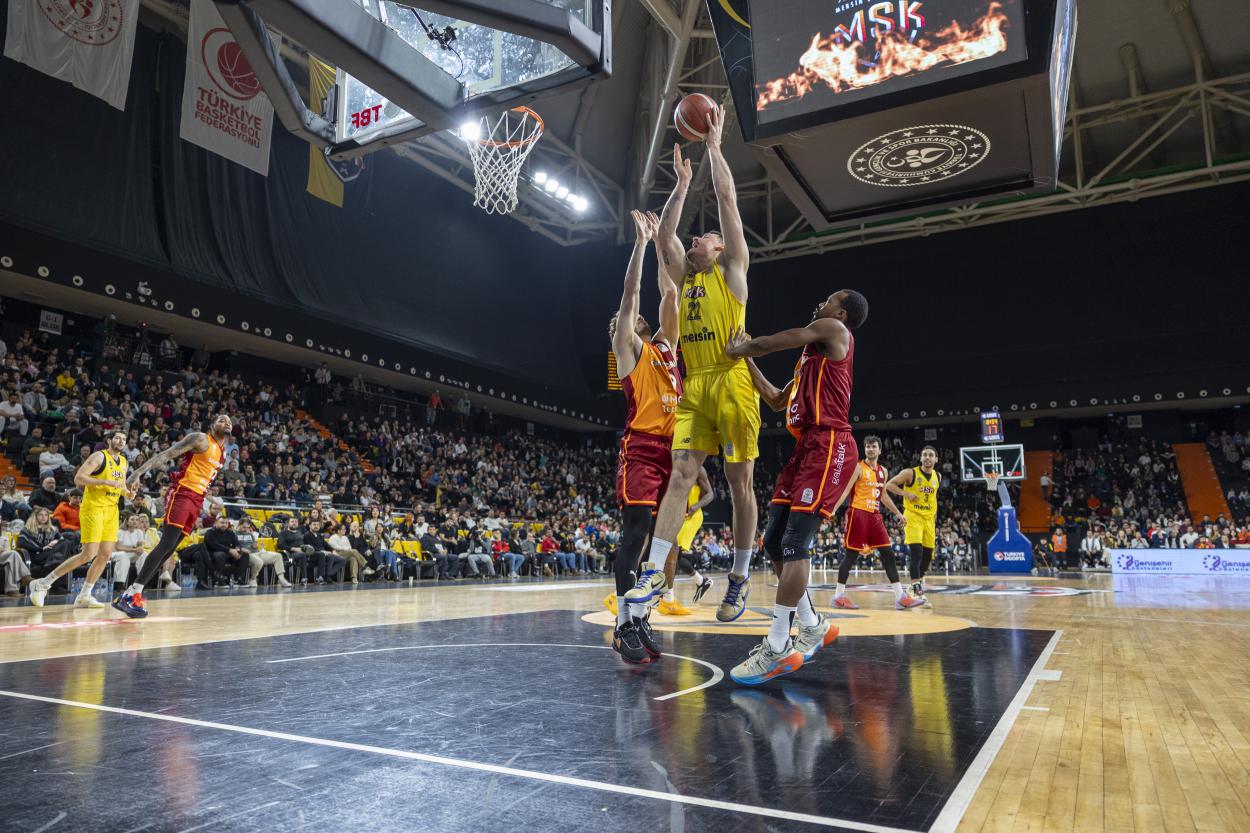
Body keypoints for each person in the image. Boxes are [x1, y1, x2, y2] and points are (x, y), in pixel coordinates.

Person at [635, 107, 761, 624]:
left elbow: (728, 198)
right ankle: (653, 574)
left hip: (732, 383)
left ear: (723, 248)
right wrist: (682, 184)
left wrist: (713, 146)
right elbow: (665, 237)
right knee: (681, 475)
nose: (696, 240)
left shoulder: (733, 270)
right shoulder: (685, 280)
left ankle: (739, 576)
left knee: (738, 484)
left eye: (705, 237)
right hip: (697, 385)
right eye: (697, 237)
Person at [721, 288, 869, 685]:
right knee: (772, 544)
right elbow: (772, 399)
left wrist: (744, 346)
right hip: (806, 447)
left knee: (794, 544)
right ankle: (812, 624)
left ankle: (777, 645)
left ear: (841, 310)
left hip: (831, 444)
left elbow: (778, 340)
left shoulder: (834, 329)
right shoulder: (809, 364)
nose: (821, 299)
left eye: (830, 296)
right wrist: (747, 358)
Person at [606, 210, 679, 663]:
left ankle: (642, 614)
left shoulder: (666, 350)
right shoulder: (629, 351)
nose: (627, 319)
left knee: (657, 543)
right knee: (633, 537)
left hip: (675, 453)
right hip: (642, 450)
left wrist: (658, 245)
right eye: (620, 320)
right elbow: (632, 293)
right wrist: (638, 243)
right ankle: (622, 625)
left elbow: (668, 290)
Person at [113, 414, 232, 617]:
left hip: (197, 498)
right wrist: (137, 473)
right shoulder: (200, 439)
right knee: (166, 544)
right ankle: (131, 593)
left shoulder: (222, 451)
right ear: (212, 425)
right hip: (183, 493)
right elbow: (166, 455)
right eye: (222, 420)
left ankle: (135, 593)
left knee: (171, 549)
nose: (227, 422)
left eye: (229, 421)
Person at [28, 431, 133, 608]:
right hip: (94, 508)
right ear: (109, 440)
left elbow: (119, 485)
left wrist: (127, 492)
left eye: (124, 439)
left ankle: (85, 595)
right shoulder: (99, 457)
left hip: (112, 510)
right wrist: (104, 482)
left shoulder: (123, 461)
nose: (121, 441)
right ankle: (42, 584)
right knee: (88, 554)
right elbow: (79, 479)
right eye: (117, 438)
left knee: (106, 554)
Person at [834, 436, 924, 610]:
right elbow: (845, 491)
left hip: (875, 516)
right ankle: (838, 596)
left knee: (888, 555)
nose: (870, 449)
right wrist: (832, 509)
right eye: (867, 446)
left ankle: (900, 597)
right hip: (858, 514)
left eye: (874, 446)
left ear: (880, 450)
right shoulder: (858, 468)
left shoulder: (883, 471)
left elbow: (883, 495)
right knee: (851, 556)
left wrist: (898, 513)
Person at [886, 445, 941, 605]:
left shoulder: (938, 476)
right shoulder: (910, 473)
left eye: (931, 455)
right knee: (916, 552)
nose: (927, 458)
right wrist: (906, 493)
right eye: (924, 455)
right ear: (920, 458)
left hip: (929, 520)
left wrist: (934, 521)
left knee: (928, 554)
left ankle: (914, 585)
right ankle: (917, 590)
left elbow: (933, 499)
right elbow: (889, 485)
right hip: (913, 517)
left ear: (936, 459)